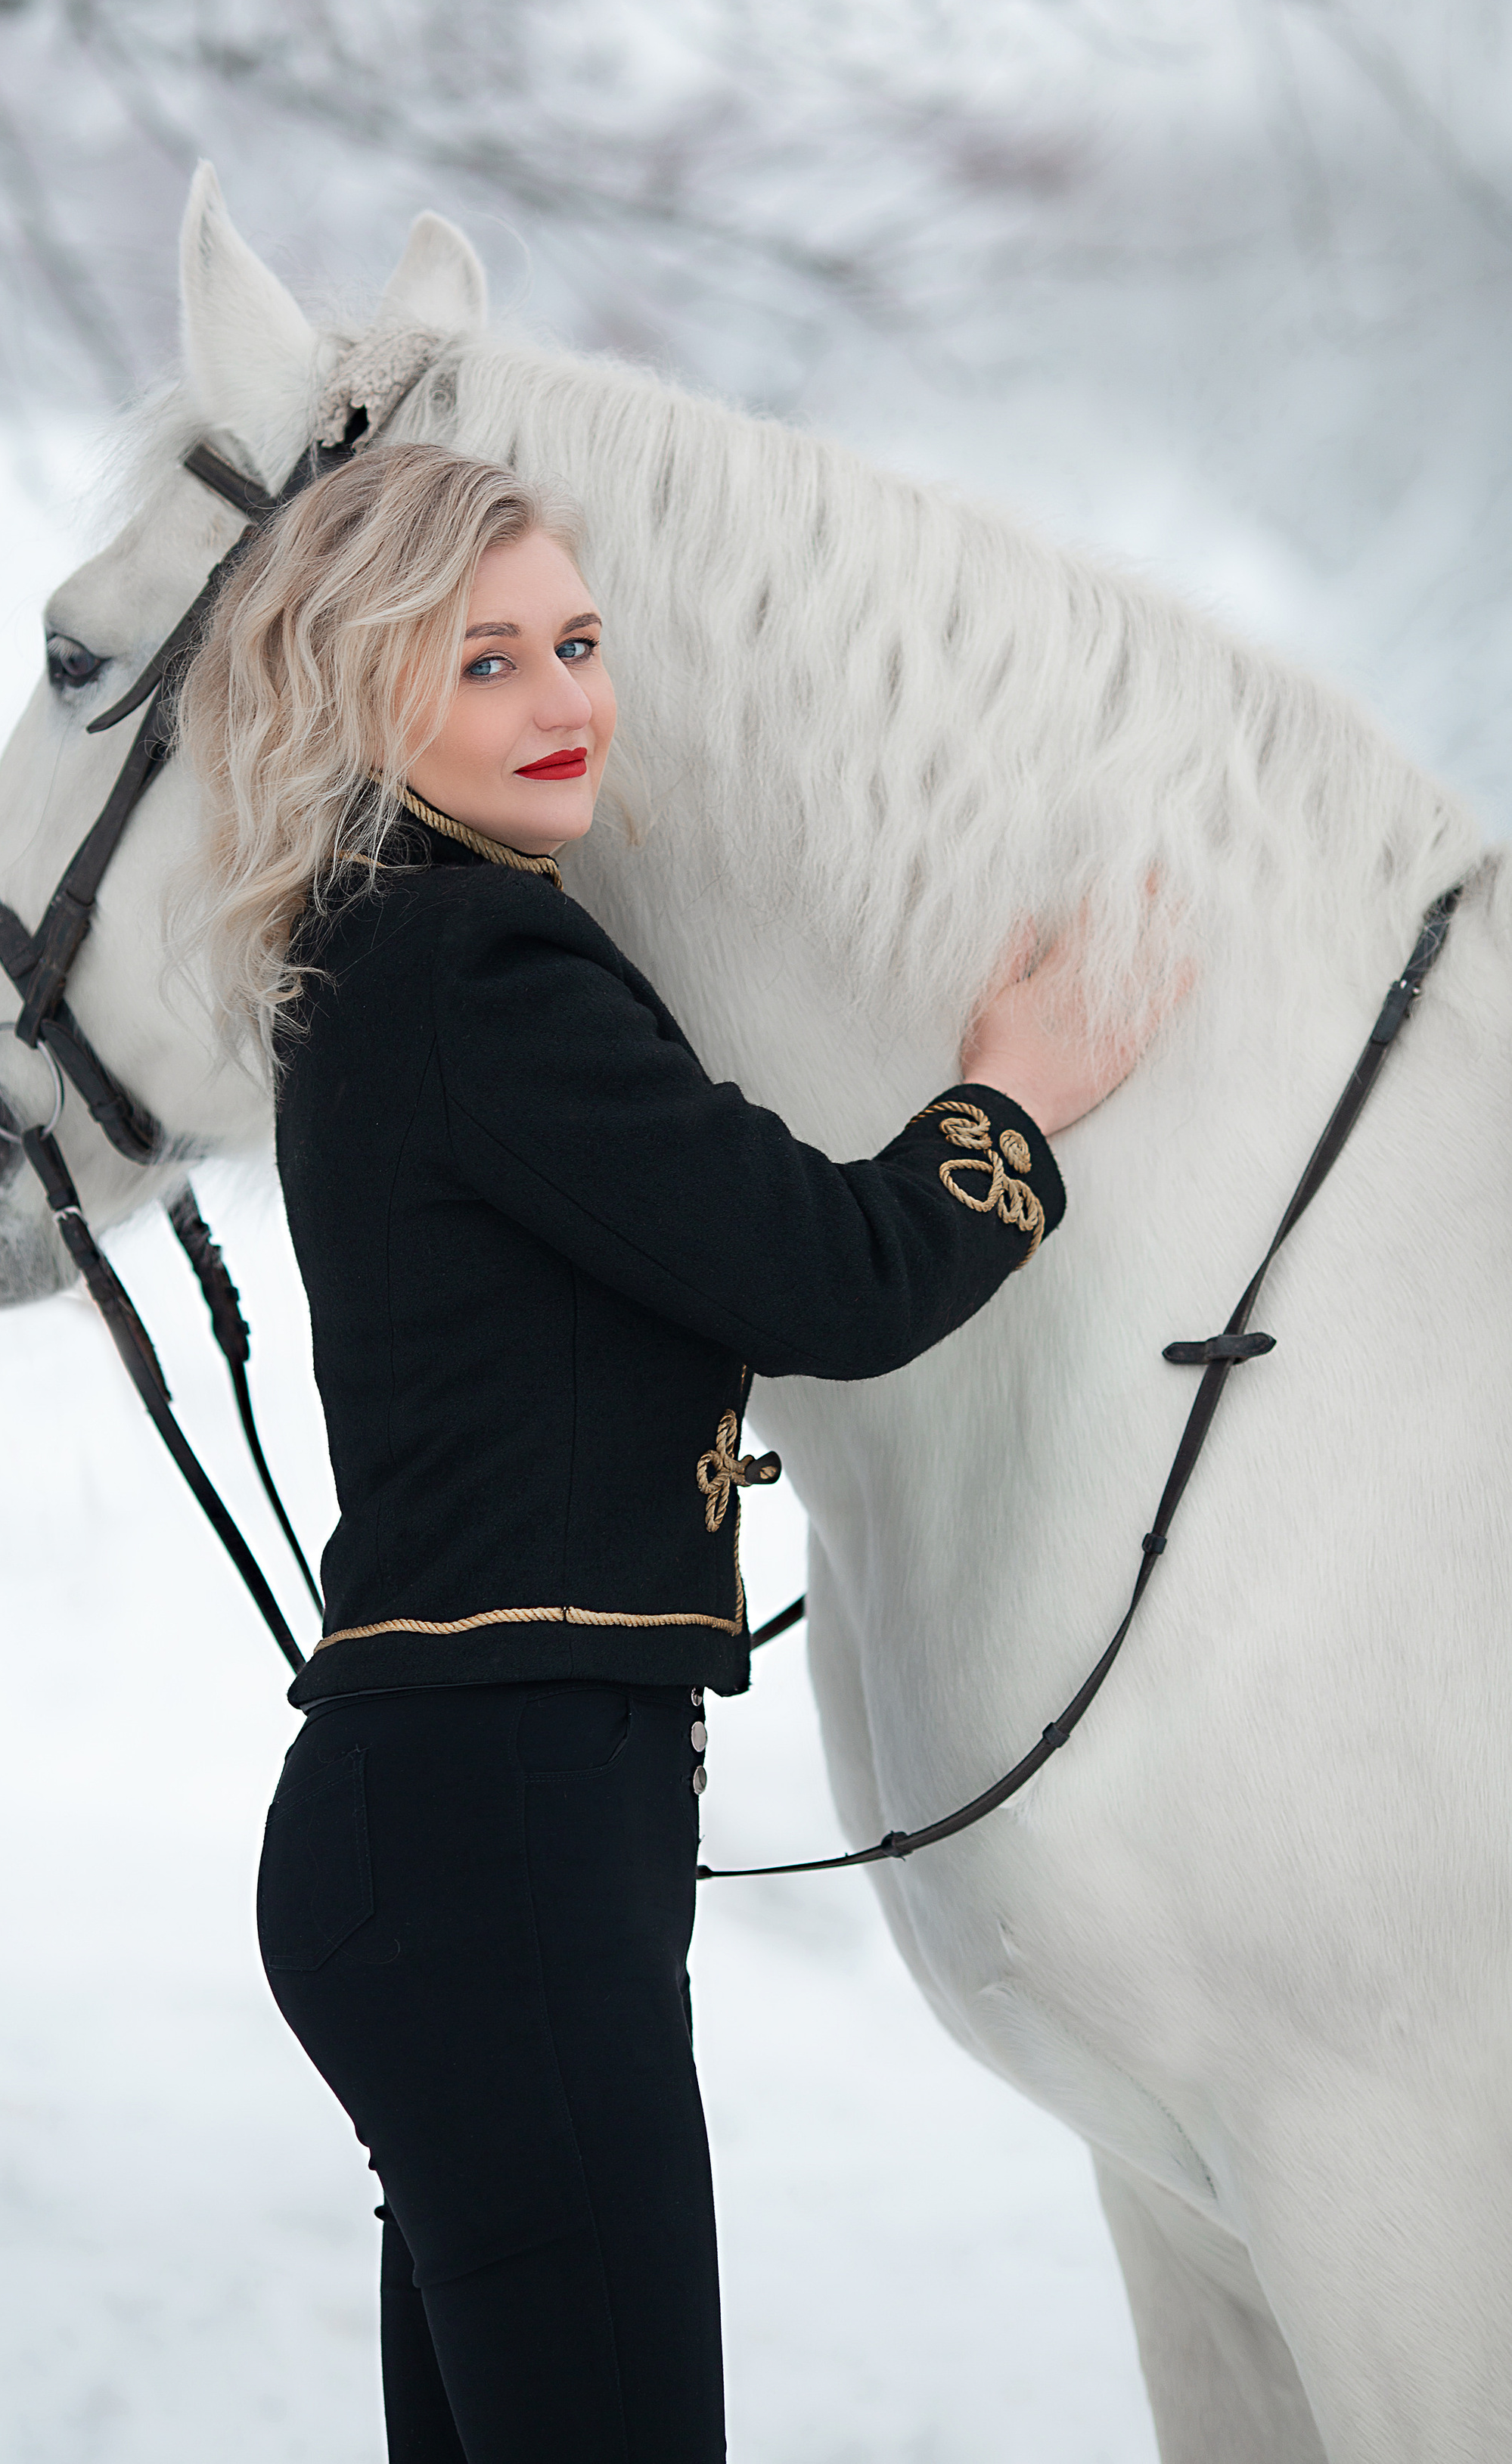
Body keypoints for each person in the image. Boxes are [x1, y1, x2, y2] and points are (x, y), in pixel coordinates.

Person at [179, 443, 1169, 2464]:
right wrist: (1012, 1101)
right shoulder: (481, 968)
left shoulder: (393, 957)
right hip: (497, 1837)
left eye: (580, 644)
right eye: (487, 664)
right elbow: (828, 1273)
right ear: (367, 686)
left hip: (463, 1828)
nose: (565, 704)